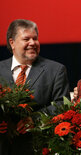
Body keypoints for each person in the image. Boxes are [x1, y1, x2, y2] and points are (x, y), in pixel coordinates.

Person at [0, 19, 70, 155]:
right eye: (26, 39)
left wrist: (35, 119)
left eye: (35, 39)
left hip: (38, 147)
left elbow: (62, 105)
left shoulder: (55, 70)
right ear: (12, 43)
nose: (32, 43)